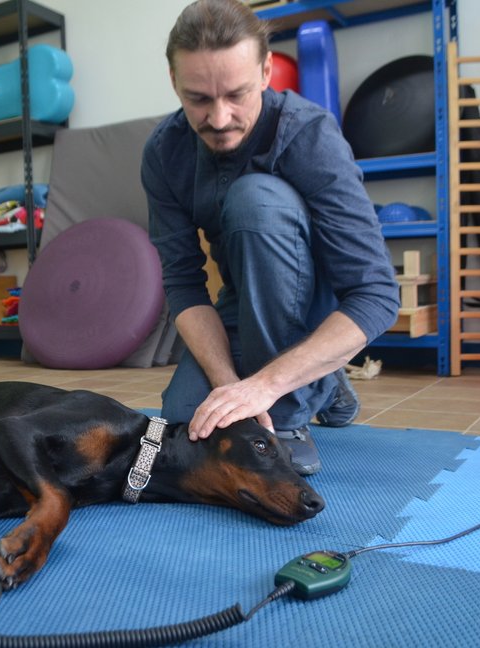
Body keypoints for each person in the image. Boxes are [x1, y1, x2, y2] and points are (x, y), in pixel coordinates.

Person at [141, 0, 400, 475]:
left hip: (317, 302)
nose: (219, 119)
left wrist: (265, 392)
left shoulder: (309, 135)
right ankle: (324, 377)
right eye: (198, 98)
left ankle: (291, 409)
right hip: (246, 305)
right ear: (173, 80)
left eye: (236, 94)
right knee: (183, 421)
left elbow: (377, 295)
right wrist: (228, 388)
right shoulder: (164, 153)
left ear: (265, 71)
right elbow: (183, 285)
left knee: (255, 200)